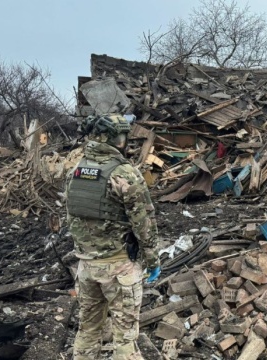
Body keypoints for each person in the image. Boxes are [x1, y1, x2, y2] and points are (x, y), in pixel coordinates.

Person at [66, 114, 161, 360]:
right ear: (115, 138)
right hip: (118, 267)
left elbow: (72, 215)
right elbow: (144, 224)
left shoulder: (75, 169)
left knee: (87, 330)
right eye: (122, 136)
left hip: (86, 266)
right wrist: (153, 260)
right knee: (125, 337)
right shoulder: (124, 173)